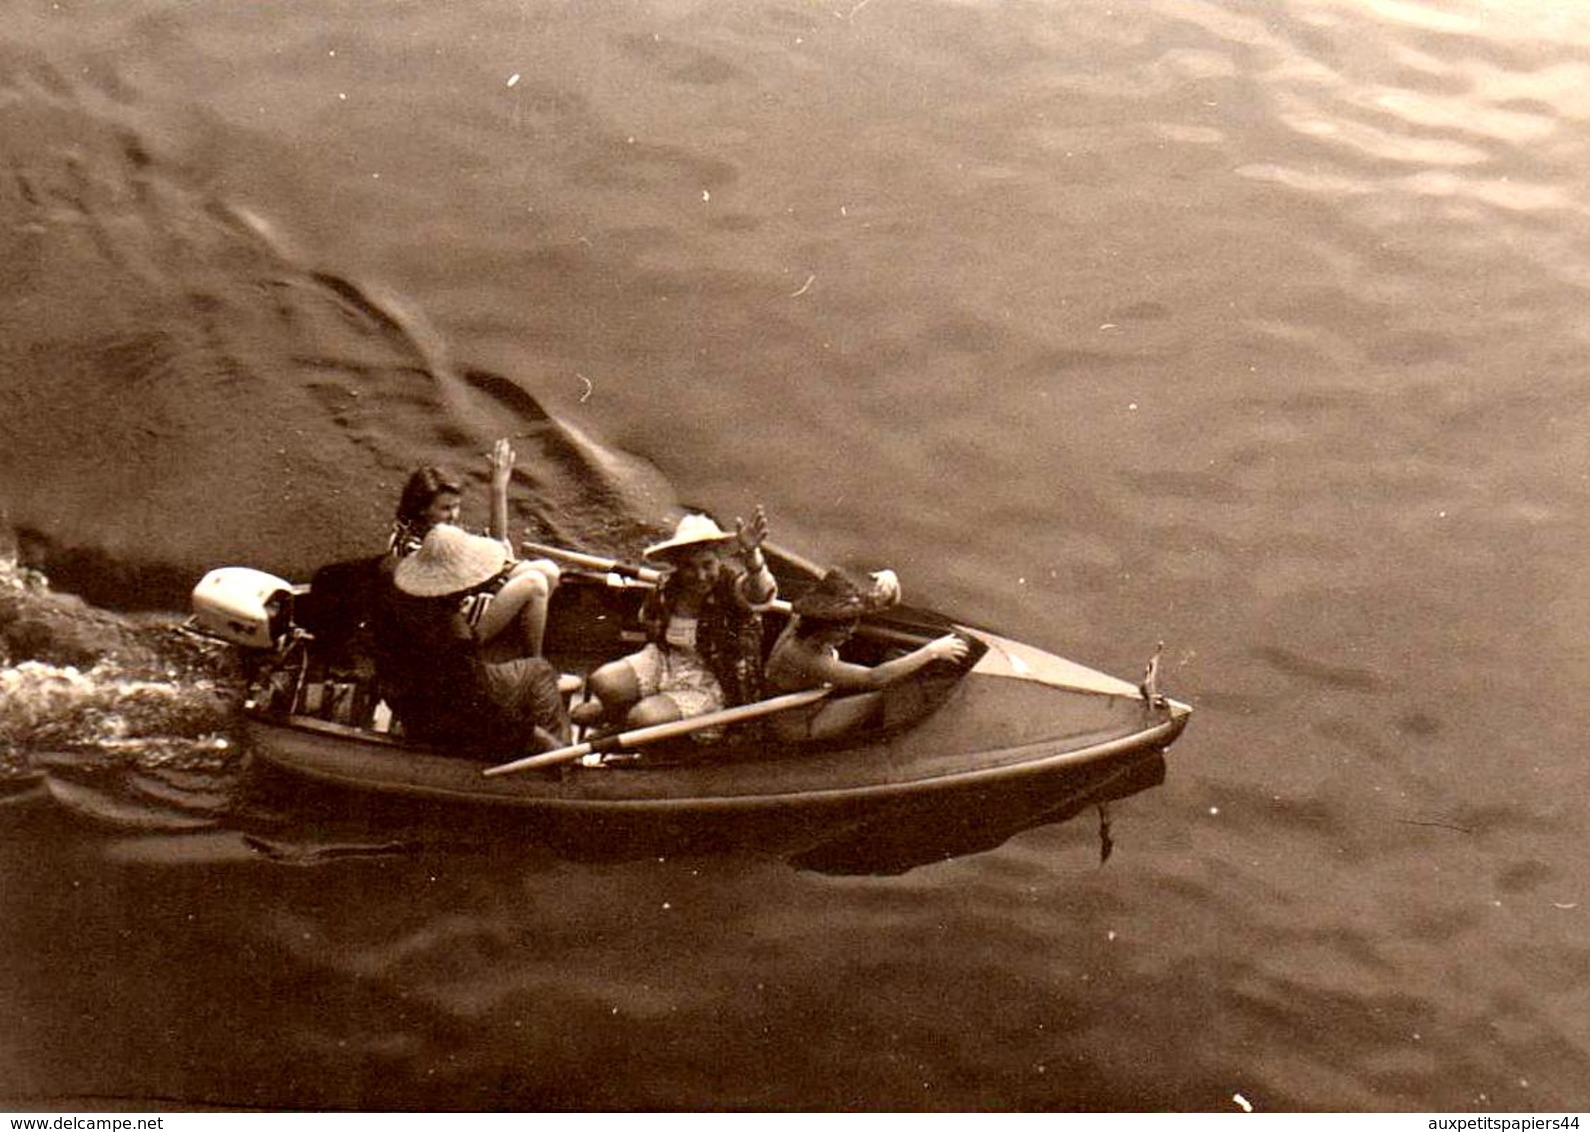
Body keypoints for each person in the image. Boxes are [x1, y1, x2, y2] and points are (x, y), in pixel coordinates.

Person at [573, 507, 777, 731]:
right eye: (690, 566)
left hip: (716, 679)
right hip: (665, 661)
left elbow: (758, 593)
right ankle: (621, 714)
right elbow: (649, 624)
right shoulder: (667, 586)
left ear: (719, 558)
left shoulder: (732, 586)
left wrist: (753, 559)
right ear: (677, 565)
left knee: (642, 718)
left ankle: (626, 722)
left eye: (707, 565)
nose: (700, 576)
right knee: (602, 682)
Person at [376, 523, 570, 754]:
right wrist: (535, 736)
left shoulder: (406, 603)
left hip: (411, 705)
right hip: (439, 723)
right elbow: (476, 711)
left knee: (530, 671)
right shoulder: (450, 636)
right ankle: (559, 761)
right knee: (539, 672)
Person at [389, 438, 560, 657]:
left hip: (459, 595)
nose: (454, 515)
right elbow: (449, 598)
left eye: (456, 506)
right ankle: (534, 667)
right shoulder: (414, 546)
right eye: (445, 508)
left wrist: (498, 490)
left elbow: (496, 550)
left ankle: (512, 651)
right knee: (534, 583)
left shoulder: (430, 527)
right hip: (448, 623)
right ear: (422, 508)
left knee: (548, 571)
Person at [763, 567, 969, 741]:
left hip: (811, 698)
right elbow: (874, 677)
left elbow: (844, 609)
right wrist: (931, 651)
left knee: (895, 675)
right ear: (823, 627)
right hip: (803, 723)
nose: (849, 635)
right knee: (884, 698)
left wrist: (884, 589)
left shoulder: (803, 621)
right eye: (842, 631)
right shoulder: (804, 657)